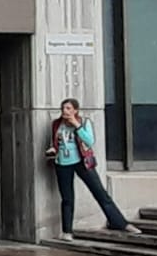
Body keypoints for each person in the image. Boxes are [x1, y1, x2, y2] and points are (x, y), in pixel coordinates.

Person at [46, 98, 140, 239]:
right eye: (63, 108)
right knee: (67, 198)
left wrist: (77, 125)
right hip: (63, 164)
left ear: (75, 110)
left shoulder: (84, 122)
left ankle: (120, 223)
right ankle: (67, 231)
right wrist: (52, 150)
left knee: (99, 192)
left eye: (69, 108)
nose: (65, 111)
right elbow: (55, 143)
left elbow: (89, 141)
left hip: (82, 162)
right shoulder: (56, 124)